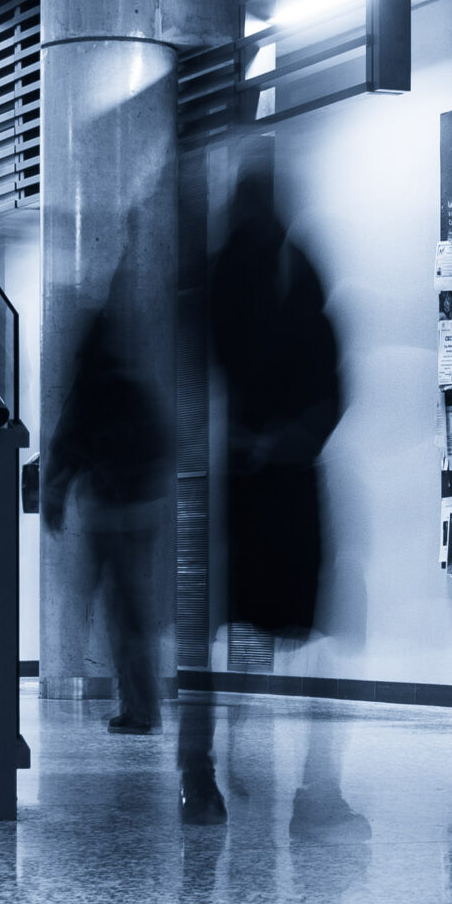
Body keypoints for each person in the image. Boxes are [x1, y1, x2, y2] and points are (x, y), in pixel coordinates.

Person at [180, 156, 356, 831]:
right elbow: (330, 376)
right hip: (287, 479)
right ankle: (312, 791)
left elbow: (211, 371)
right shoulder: (295, 266)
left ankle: (223, 774)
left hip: (236, 481)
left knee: (240, 636)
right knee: (301, 637)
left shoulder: (219, 271)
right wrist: (297, 434)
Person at [42, 271, 172, 742]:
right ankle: (141, 704)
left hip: (112, 513)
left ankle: (138, 707)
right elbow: (161, 444)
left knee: (122, 612)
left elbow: (69, 442)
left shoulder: (93, 385)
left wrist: (56, 491)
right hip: (138, 510)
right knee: (131, 609)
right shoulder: (134, 385)